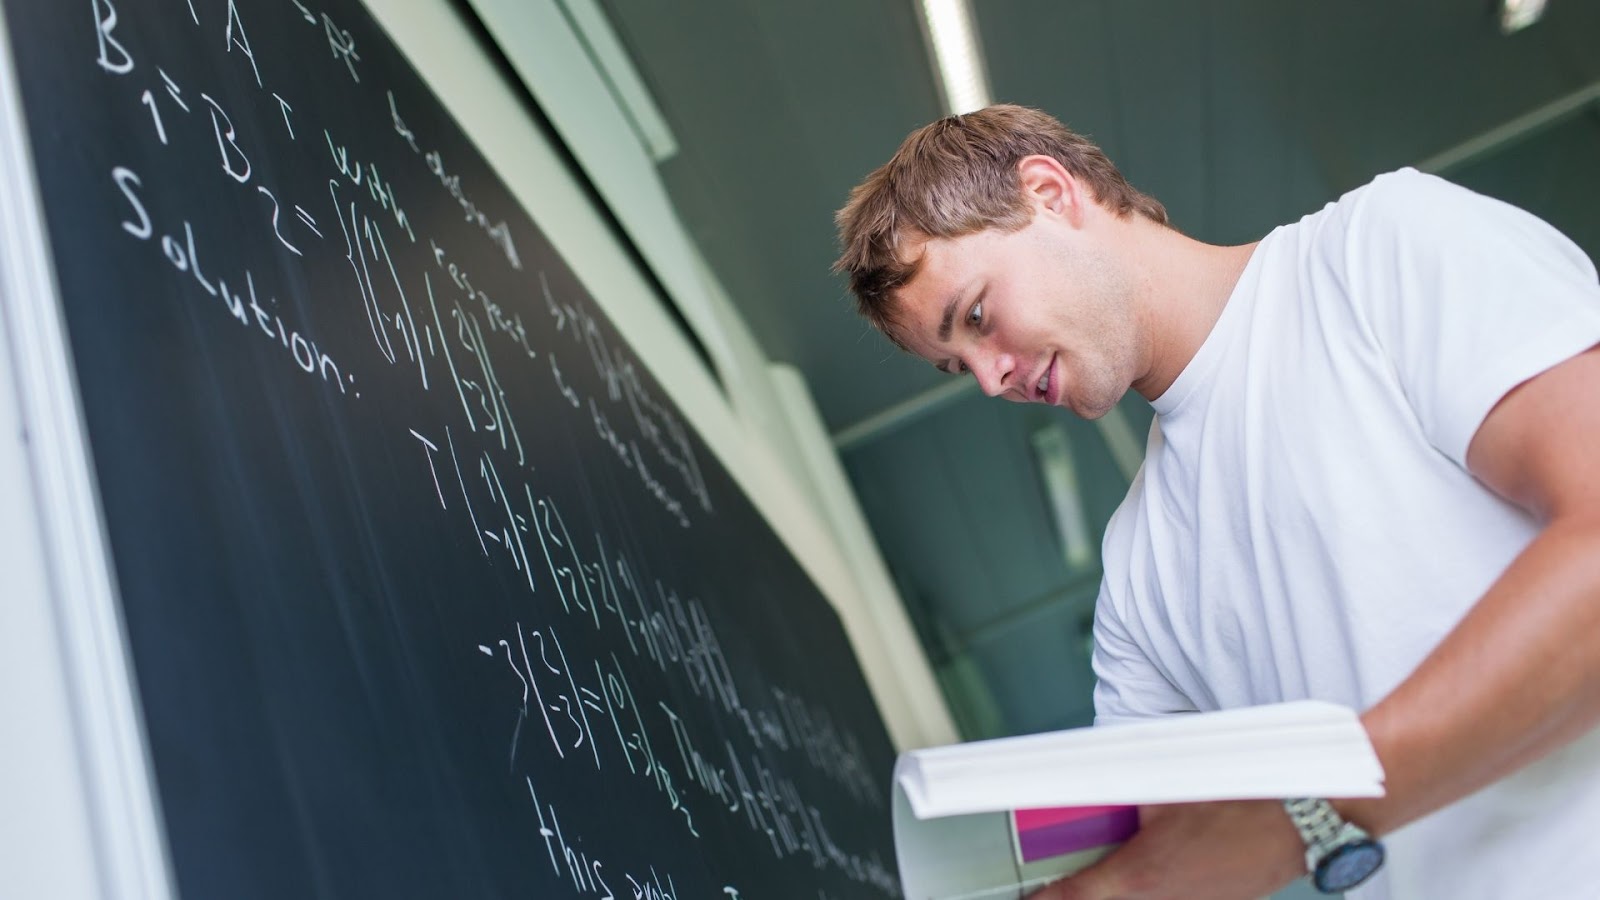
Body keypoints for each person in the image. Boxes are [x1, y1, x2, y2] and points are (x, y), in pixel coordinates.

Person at [833, 104, 1600, 900]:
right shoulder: (1136, 577)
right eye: (961, 366)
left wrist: (1307, 818)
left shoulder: (1376, 252)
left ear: (1049, 192)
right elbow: (1145, 851)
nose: (992, 379)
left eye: (980, 317)